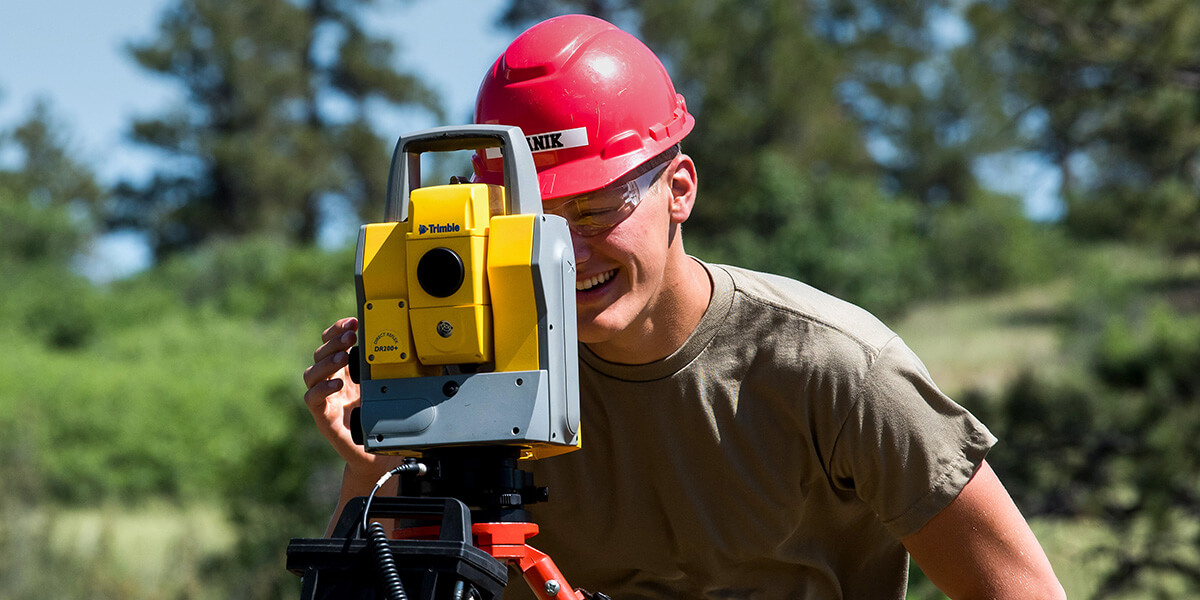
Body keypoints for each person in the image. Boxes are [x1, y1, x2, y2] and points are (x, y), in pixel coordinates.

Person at [303, 14, 1065, 600]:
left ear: (679, 189)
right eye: (541, 225)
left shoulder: (833, 370)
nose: (570, 254)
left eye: (598, 212)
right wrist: (382, 460)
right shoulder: (474, 367)